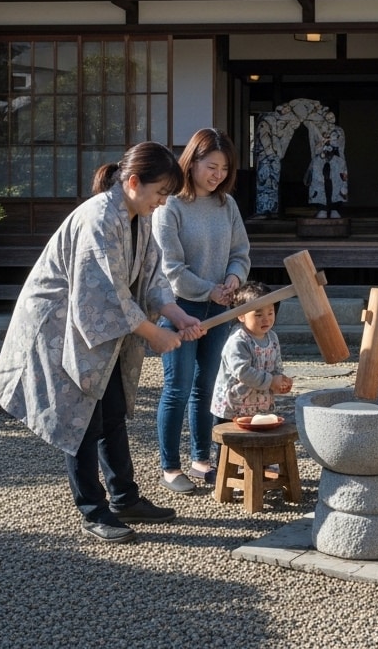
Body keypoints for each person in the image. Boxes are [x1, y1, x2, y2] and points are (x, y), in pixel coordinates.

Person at [0, 141, 205, 545]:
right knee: (81, 418)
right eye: (160, 192)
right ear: (134, 182)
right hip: (60, 327)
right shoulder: (98, 218)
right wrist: (154, 332)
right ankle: (93, 509)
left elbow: (154, 278)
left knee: (111, 411)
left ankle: (124, 497)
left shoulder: (139, 215)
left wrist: (176, 314)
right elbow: (103, 296)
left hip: (101, 329)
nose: (163, 202)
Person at [153, 128, 250, 492]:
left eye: (225, 168)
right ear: (191, 162)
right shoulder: (170, 205)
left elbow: (241, 252)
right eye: (212, 166)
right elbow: (171, 269)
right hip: (179, 307)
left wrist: (234, 281)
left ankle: (201, 459)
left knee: (206, 387)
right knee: (177, 387)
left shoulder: (227, 205)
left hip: (219, 308)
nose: (218, 175)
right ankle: (169, 466)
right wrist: (212, 288)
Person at [211, 281, 294, 421]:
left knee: (260, 438)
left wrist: (280, 380)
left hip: (260, 404)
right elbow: (243, 372)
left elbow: (276, 365)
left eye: (270, 312)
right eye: (258, 315)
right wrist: (271, 380)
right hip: (233, 406)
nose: (266, 319)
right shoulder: (238, 340)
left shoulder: (272, 337)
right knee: (232, 440)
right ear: (241, 315)